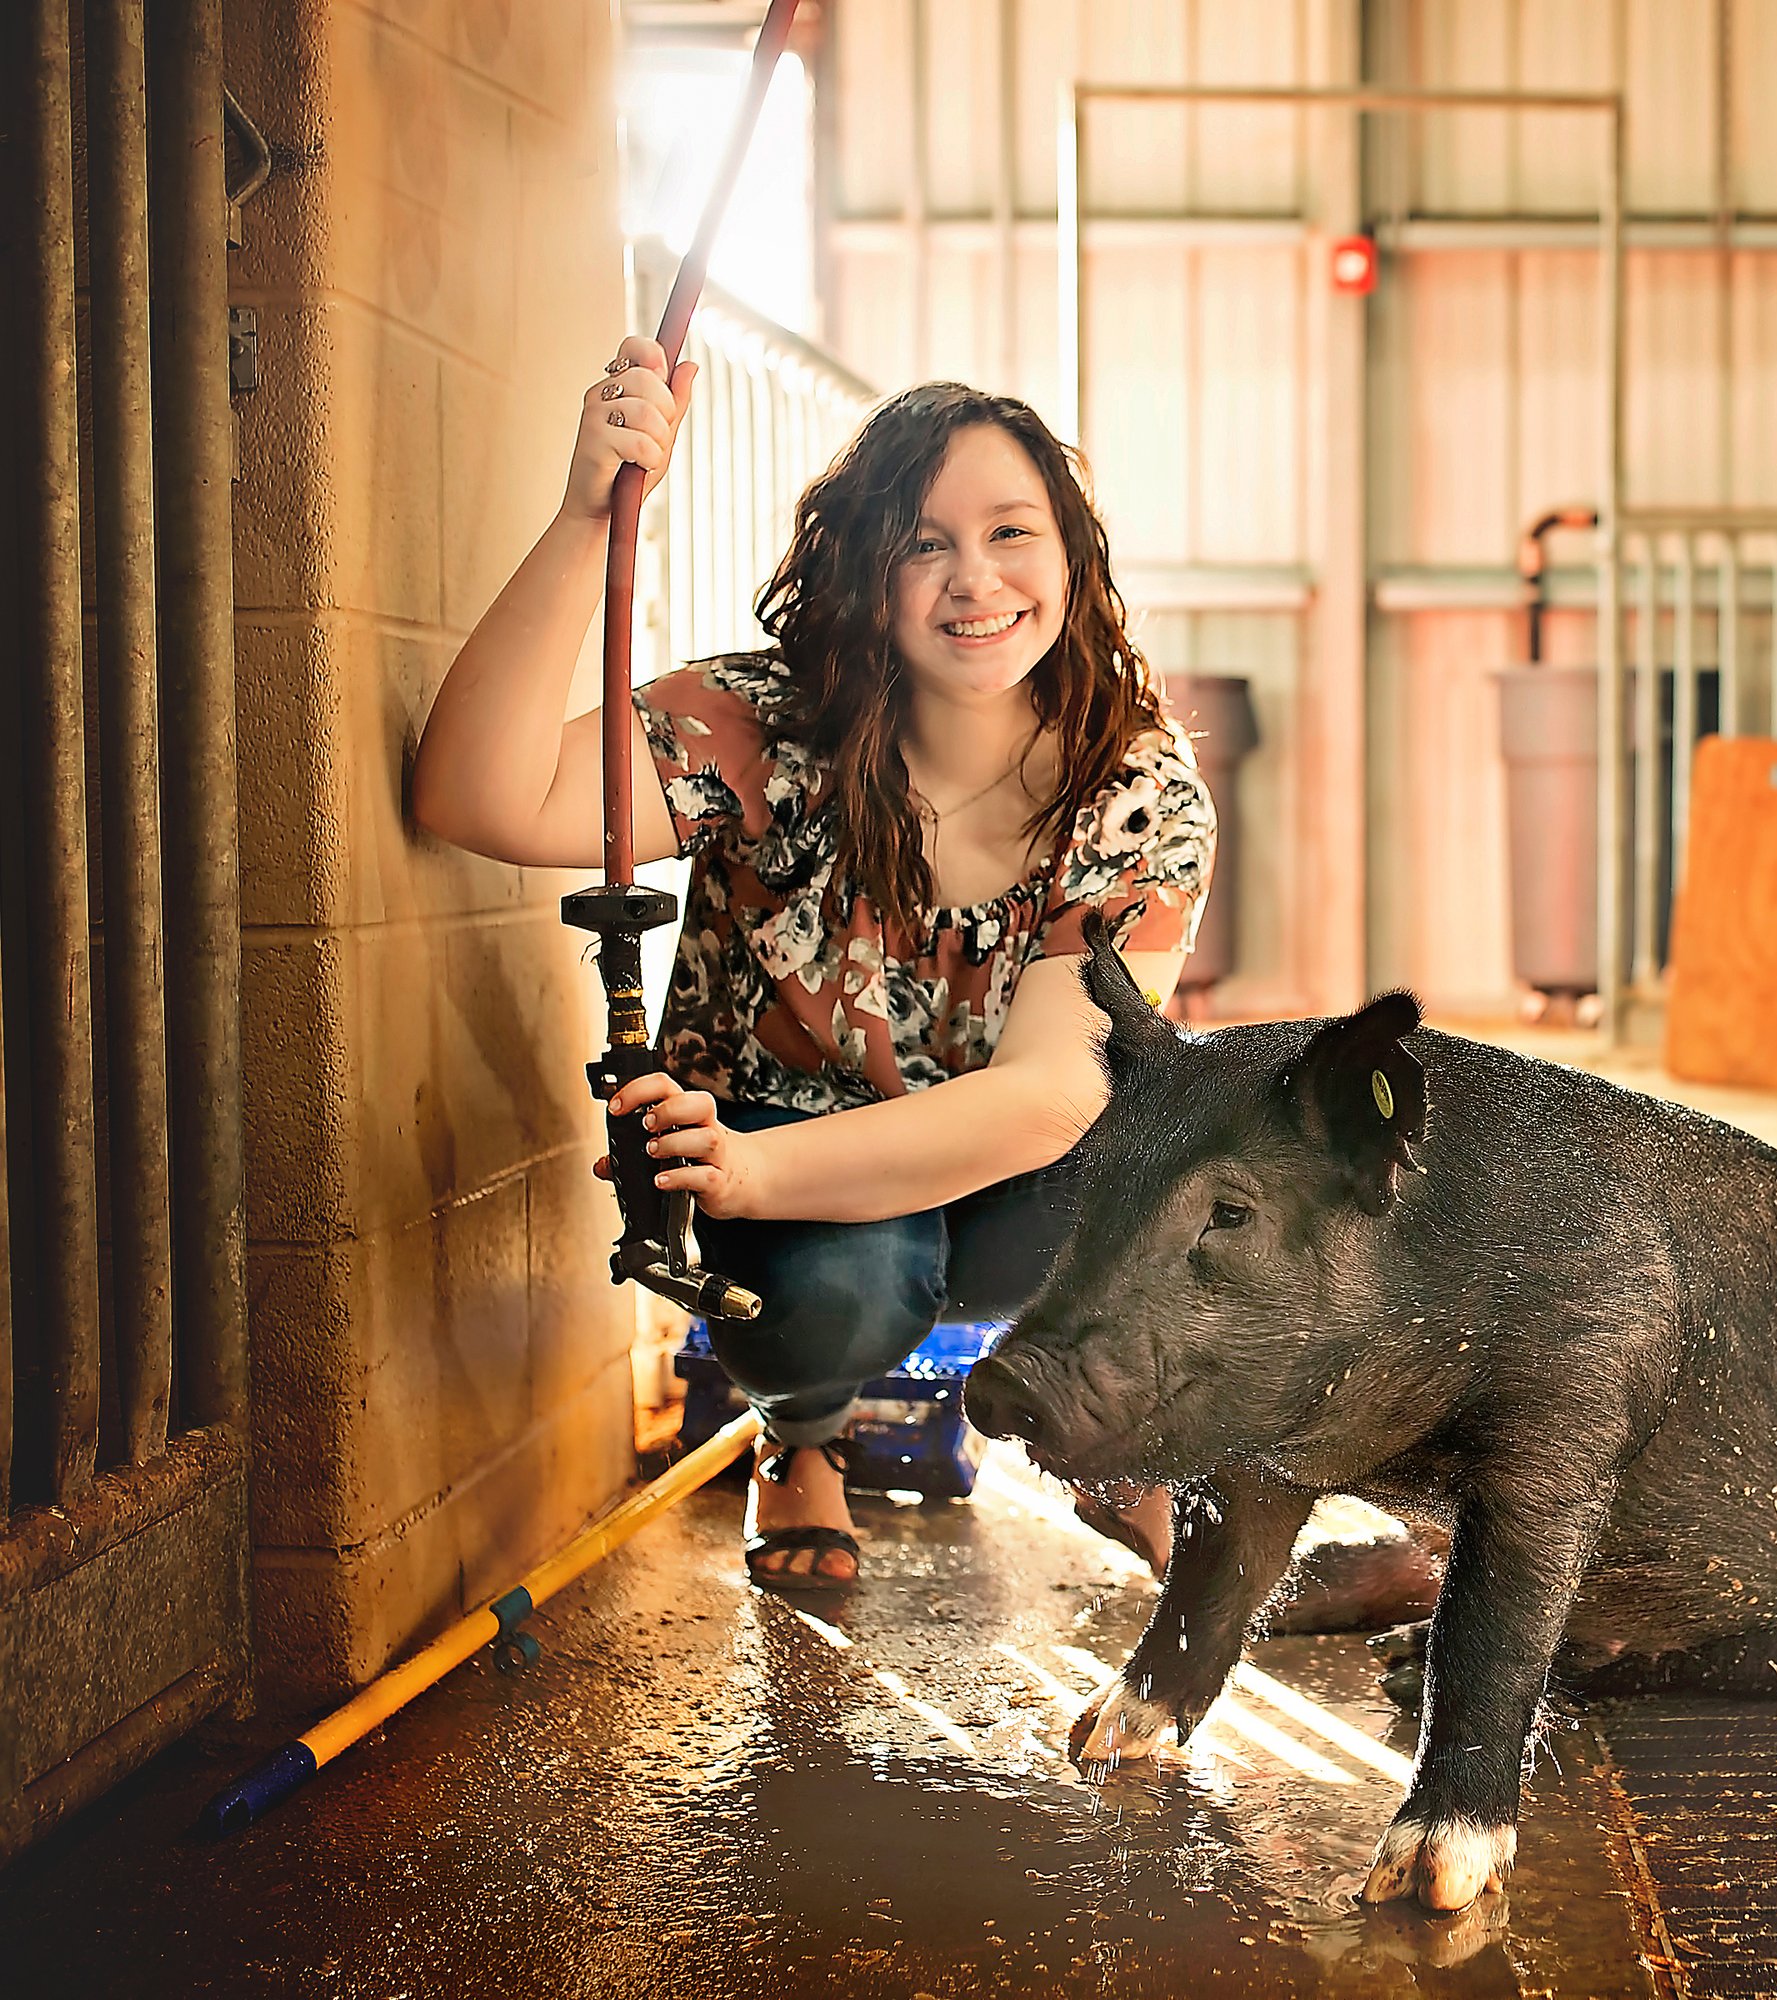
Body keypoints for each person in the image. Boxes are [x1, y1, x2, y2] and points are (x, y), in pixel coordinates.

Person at [411, 338, 1210, 1590]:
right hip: (786, 1179)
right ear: (863, 570)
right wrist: (582, 516)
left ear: (1070, 555)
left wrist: (750, 1166)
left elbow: (1056, 1092)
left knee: (1169, 1196)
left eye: (1012, 532)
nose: (975, 579)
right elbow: (476, 793)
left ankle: (1114, 1437)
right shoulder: (765, 729)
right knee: (848, 1284)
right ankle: (800, 1432)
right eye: (922, 543)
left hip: (989, 1162)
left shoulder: (1133, 787)